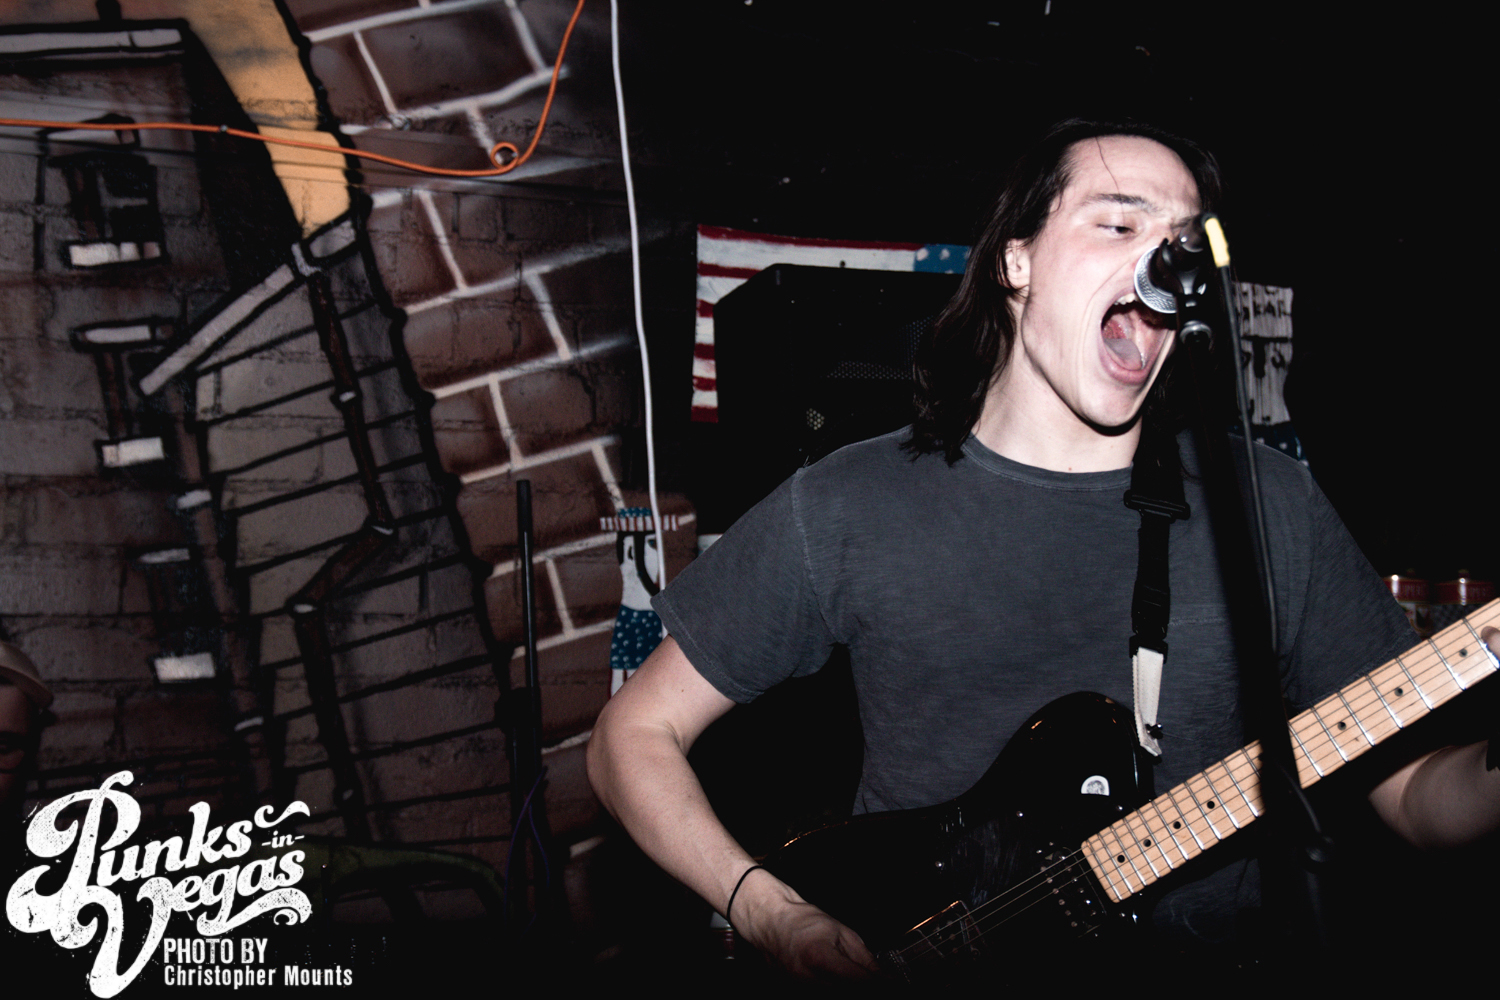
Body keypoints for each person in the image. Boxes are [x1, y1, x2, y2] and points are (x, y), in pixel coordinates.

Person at [586, 119, 1500, 979]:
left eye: (1183, 239)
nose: (1162, 258)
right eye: (1120, 223)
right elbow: (634, 734)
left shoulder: (1271, 506)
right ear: (1015, 260)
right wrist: (769, 912)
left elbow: (1416, 798)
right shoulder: (850, 503)